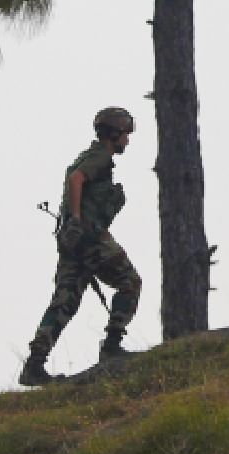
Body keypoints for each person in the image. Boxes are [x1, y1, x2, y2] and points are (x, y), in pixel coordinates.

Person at [19, 107, 144, 386]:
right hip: (89, 236)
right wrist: (76, 220)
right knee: (130, 282)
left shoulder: (92, 155)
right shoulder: (99, 156)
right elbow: (76, 179)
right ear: (114, 134)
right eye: (125, 134)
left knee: (65, 300)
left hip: (72, 242)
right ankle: (112, 345)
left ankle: (34, 365)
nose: (128, 140)